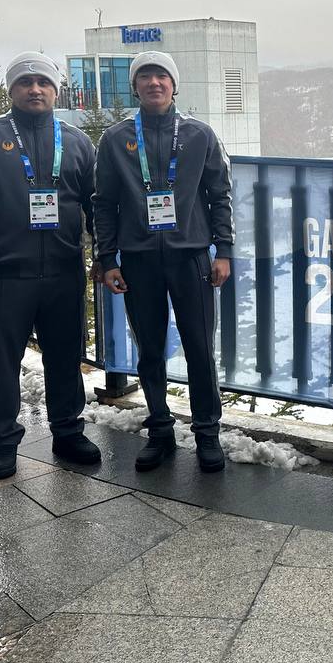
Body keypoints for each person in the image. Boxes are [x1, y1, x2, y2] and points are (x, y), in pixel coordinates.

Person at [0, 52, 101, 479]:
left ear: (56, 91)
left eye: (43, 83)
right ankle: (3, 440)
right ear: (11, 90)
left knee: (65, 356)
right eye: (25, 82)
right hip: (5, 272)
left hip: (64, 271)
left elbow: (97, 204)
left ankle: (67, 431)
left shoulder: (76, 141)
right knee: (3, 360)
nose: (35, 89)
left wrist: (105, 255)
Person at [93, 50, 234, 472]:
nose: (154, 83)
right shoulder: (115, 139)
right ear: (135, 87)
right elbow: (104, 203)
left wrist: (224, 251)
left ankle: (207, 433)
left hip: (192, 258)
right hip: (138, 262)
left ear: (174, 85)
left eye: (162, 77)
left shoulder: (199, 134)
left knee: (199, 349)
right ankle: (160, 431)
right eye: (145, 77)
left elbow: (220, 195)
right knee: (150, 350)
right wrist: (107, 258)